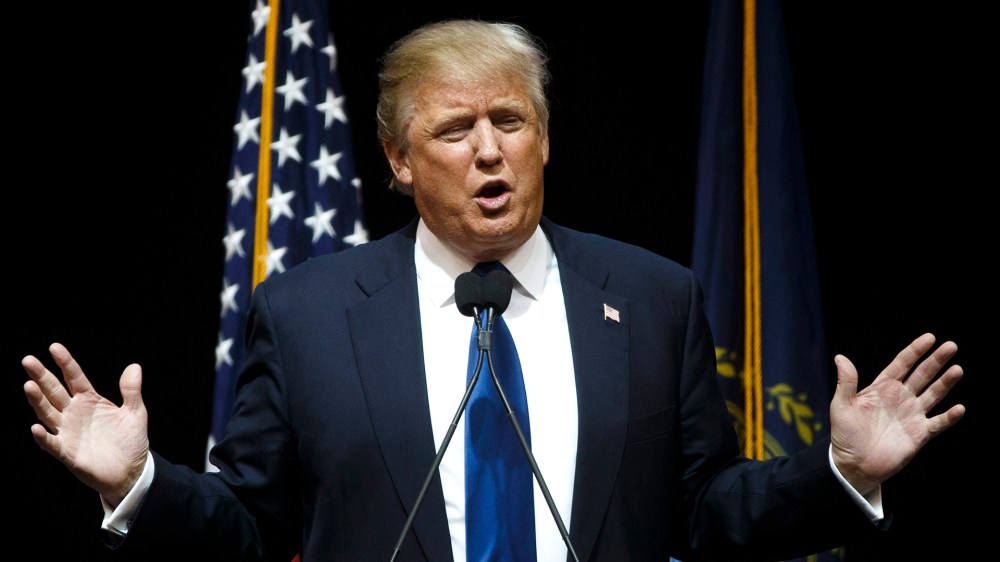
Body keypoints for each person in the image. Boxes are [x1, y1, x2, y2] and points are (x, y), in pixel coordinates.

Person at [20, 19, 965, 562]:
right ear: (396, 158)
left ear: (545, 139)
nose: (489, 150)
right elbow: (248, 531)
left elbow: (708, 511)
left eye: (511, 120)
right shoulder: (306, 316)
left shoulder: (651, 298)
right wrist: (139, 486)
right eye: (454, 128)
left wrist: (842, 472)